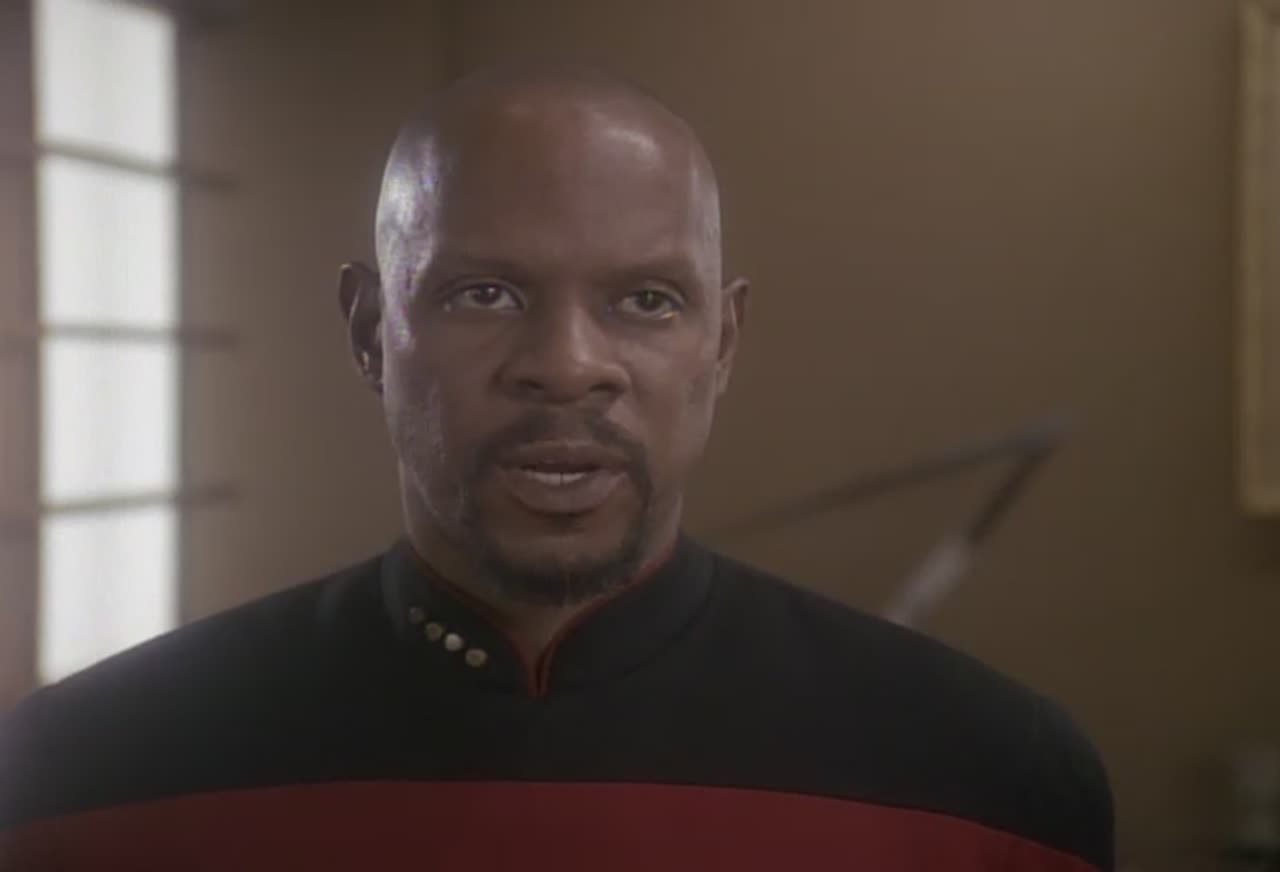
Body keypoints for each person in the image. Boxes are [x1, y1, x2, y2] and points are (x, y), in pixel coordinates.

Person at [0, 64, 1113, 871]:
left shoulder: (989, 781)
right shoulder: (80, 778)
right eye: (483, 293)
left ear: (721, 342)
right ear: (370, 331)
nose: (567, 366)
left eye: (647, 300)